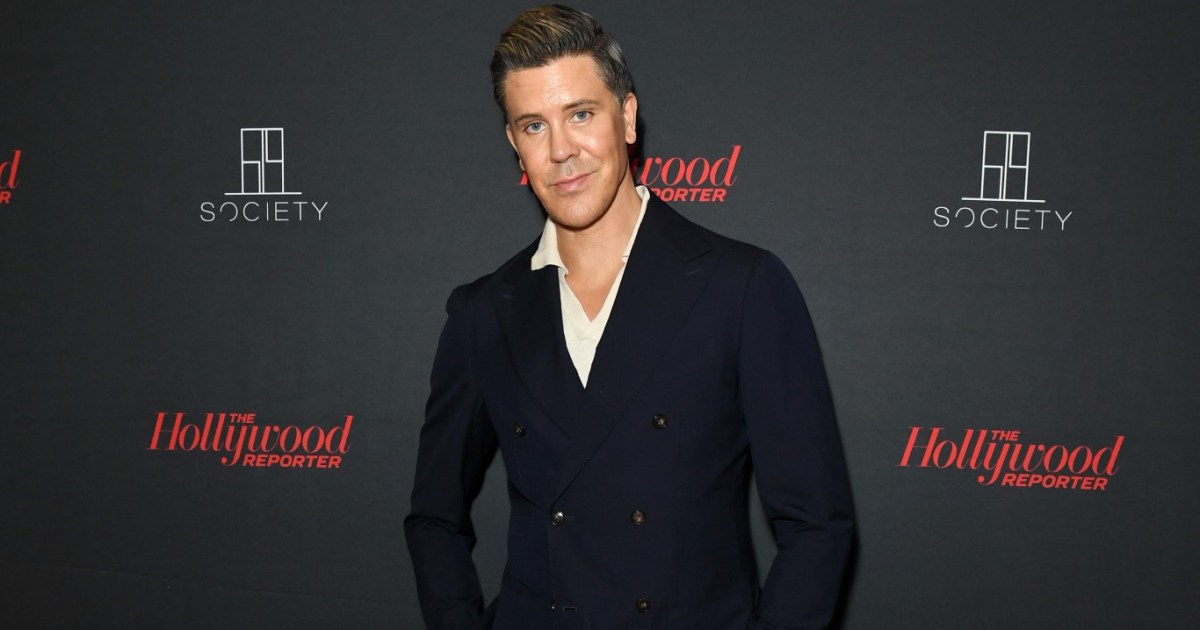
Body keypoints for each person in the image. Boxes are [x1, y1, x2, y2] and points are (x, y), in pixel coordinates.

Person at [405, 5, 854, 629]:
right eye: (534, 125)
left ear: (628, 117)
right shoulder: (482, 311)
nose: (562, 150)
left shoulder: (739, 285)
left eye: (581, 114)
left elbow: (816, 523)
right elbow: (434, 515)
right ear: (514, 144)